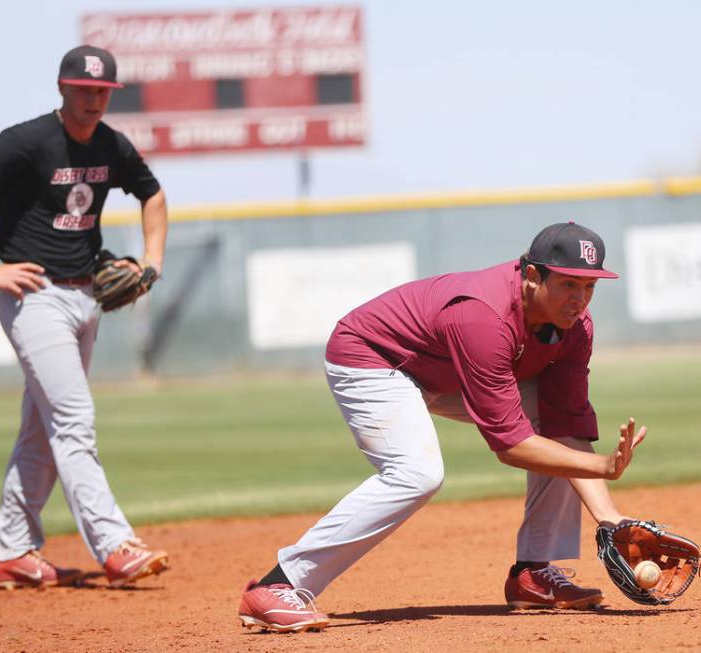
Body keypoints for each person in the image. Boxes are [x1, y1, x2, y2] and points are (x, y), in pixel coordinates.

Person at [237, 221, 647, 632]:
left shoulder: (576, 329)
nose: (580, 299)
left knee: (550, 425)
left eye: (589, 287)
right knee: (417, 473)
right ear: (533, 275)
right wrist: (602, 466)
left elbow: (564, 424)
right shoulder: (482, 316)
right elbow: (511, 445)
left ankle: (534, 575)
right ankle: (279, 584)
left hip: (441, 371)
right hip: (374, 357)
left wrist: (609, 517)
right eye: (569, 285)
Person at [0, 45, 170, 589]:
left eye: (102, 92)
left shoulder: (113, 146)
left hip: (87, 293)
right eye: (84, 89)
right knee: (72, 420)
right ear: (63, 88)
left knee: (40, 430)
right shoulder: (26, 141)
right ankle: (115, 546)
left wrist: (152, 263)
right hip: (35, 297)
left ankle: (14, 551)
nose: (93, 100)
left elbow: (153, 196)